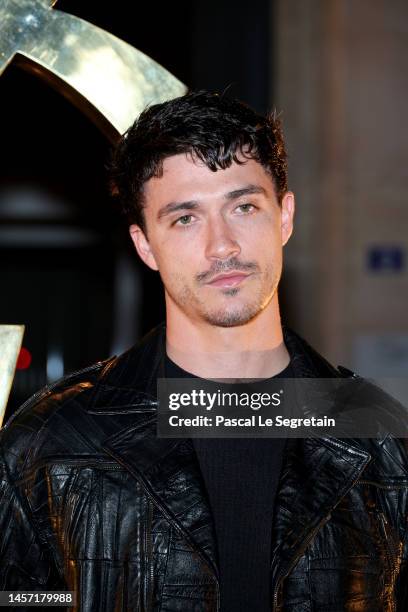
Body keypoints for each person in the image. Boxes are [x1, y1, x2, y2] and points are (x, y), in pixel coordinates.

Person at [0, 90, 407, 611]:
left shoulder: (380, 437)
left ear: (284, 216)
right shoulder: (48, 445)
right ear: (145, 244)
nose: (223, 246)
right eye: (185, 218)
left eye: (243, 206)